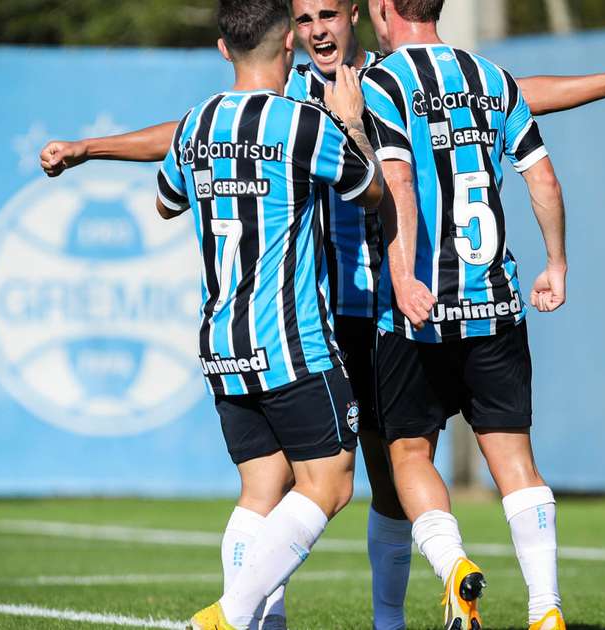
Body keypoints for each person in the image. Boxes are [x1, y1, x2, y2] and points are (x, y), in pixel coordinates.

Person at [39, 4, 605, 629]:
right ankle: (262, 617)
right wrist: (94, 148)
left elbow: (517, 95)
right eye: (304, 18)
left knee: (387, 478)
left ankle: (383, 620)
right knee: (295, 481)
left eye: (329, 14)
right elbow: (189, 133)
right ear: (290, 34)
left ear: (357, 14)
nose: (318, 29)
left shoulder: (388, 78)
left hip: (389, 312)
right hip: (333, 316)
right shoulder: (293, 95)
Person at [151, 1, 384, 628]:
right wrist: (352, 124)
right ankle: (228, 614)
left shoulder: (195, 124)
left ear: (224, 50)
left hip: (222, 343)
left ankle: (258, 624)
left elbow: (166, 203)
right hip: (291, 343)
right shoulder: (303, 124)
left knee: (262, 490)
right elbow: (373, 192)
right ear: (288, 46)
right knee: (330, 484)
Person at [359, 0, 585, 628]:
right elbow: (544, 180)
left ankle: (454, 565)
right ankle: (546, 609)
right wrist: (557, 263)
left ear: (384, 8)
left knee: (409, 455)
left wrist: (403, 277)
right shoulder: (493, 79)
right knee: (516, 462)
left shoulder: (382, 82)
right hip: (495, 304)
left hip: (419, 312)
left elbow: (400, 184)